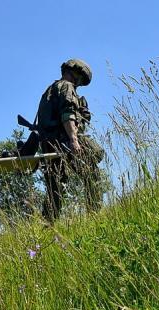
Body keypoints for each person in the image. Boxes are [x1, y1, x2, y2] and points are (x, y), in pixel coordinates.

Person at [36, 59, 105, 223]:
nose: (79, 84)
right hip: (64, 143)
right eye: (80, 80)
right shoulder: (67, 87)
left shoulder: (50, 90)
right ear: (76, 73)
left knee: (55, 188)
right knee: (91, 176)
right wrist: (74, 140)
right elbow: (67, 114)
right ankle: (95, 220)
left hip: (49, 145)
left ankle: (48, 227)